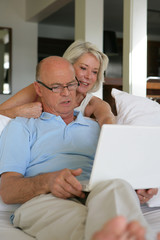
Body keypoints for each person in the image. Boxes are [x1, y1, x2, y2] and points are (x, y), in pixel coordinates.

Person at [0, 56, 157, 240]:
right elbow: (7, 190)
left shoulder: (98, 126)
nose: (66, 93)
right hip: (46, 198)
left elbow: (122, 168)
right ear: (38, 89)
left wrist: (140, 185)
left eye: (71, 84)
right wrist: (46, 182)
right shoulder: (22, 126)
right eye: (56, 87)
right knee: (84, 224)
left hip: (99, 192)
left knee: (118, 186)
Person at [0, 40, 115, 126]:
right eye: (83, 68)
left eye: (95, 72)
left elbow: (108, 120)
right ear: (67, 66)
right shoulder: (41, 89)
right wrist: (18, 112)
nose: (89, 76)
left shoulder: (93, 104)